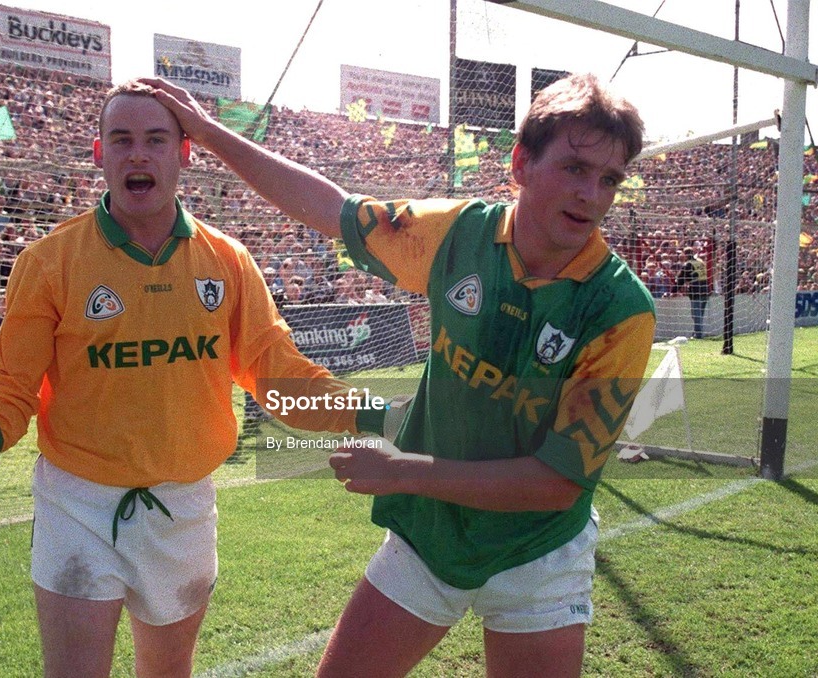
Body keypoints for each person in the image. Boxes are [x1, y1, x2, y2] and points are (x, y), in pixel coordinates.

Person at [145, 72, 656, 678]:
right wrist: (208, 133)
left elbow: (556, 484)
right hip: (429, 537)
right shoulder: (456, 235)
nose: (593, 195)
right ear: (521, 162)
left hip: (537, 551)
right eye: (575, 168)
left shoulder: (621, 310)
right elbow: (331, 210)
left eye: (610, 180)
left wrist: (402, 471)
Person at [0, 80, 382, 678]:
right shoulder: (49, 261)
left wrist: (378, 413)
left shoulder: (227, 260)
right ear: (100, 155)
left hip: (183, 505)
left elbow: (280, 376)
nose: (138, 154)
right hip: (78, 503)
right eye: (122, 140)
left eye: (155, 140)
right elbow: (11, 385)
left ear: (183, 154)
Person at [675, 245, 710, 338]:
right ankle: (696, 333)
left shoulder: (688, 264)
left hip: (696, 290)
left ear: (685, 255)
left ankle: (698, 335)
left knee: (696, 314)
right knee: (700, 314)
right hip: (705, 289)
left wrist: (674, 291)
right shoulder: (700, 262)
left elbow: (681, 279)